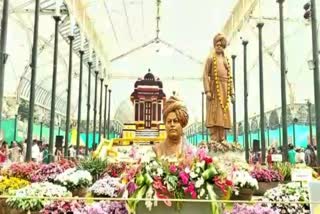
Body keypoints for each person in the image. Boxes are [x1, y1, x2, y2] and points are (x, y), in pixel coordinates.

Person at [203, 33, 234, 143]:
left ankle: (222, 137)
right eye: (217, 44)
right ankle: (214, 137)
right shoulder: (210, 59)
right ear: (214, 46)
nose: (219, 46)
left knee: (223, 113)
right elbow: (205, 74)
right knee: (214, 113)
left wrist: (232, 93)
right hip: (214, 88)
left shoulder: (226, 60)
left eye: (221, 45)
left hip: (225, 88)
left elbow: (230, 77)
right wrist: (207, 91)